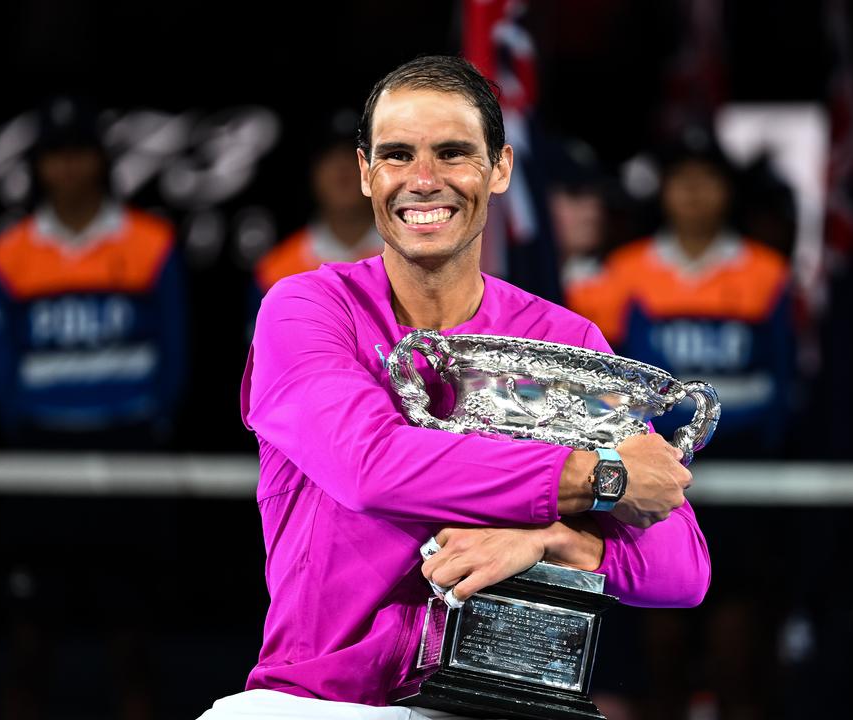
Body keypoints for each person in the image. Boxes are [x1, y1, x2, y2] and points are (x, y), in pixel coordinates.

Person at [204, 55, 709, 720]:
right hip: (323, 705)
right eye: (396, 155)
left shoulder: (564, 338)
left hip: (503, 707)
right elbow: (370, 466)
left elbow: (681, 567)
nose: (422, 181)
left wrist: (544, 541)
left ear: (499, 168)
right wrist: (597, 479)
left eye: (451, 152)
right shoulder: (307, 309)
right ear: (365, 172)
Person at [568, 124, 796, 458]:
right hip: (650, 451)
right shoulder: (622, 271)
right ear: (663, 188)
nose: (693, 190)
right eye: (681, 178)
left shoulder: (769, 272)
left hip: (752, 451)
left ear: (728, 189)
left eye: (707, 177)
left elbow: (785, 377)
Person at [0, 96, 187, 449]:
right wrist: (15, 422)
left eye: (79, 150)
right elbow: (0, 357)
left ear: (100, 158)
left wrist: (159, 418)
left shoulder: (152, 243)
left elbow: (176, 343)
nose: (68, 165)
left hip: (132, 436)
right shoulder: (7, 253)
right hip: (40, 438)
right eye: (56, 153)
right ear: (38, 164)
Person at [252, 110, 384, 295]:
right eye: (328, 156)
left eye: (357, 156)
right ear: (312, 173)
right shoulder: (275, 271)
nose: (342, 166)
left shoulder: (411, 256)